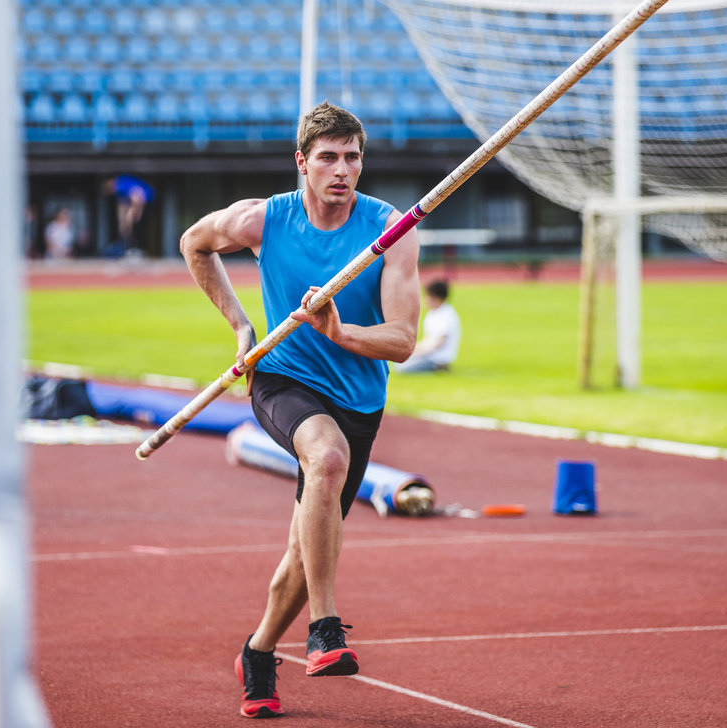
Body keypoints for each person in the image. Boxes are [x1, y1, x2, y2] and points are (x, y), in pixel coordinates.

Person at [177, 102, 420, 719]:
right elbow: (194, 243)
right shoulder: (265, 220)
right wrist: (239, 326)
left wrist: (340, 333)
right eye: (328, 158)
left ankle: (258, 652)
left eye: (352, 157)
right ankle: (325, 628)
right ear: (302, 164)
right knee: (327, 456)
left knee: (303, 548)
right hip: (283, 379)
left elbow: (402, 340)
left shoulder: (390, 231)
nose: (342, 170)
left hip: (358, 397)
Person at [394, 279, 461, 373]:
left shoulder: (445, 315)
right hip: (429, 355)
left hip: (436, 358)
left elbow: (439, 342)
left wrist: (417, 353)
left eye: (428, 297)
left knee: (402, 368)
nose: (425, 300)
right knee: (400, 363)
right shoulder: (433, 313)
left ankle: (439, 367)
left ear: (437, 298)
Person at [101, 174, 154, 254]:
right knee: (125, 223)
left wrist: (131, 216)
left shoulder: (119, 185)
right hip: (137, 198)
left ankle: (131, 245)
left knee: (128, 223)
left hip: (140, 196)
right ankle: (127, 244)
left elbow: (137, 196)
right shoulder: (120, 187)